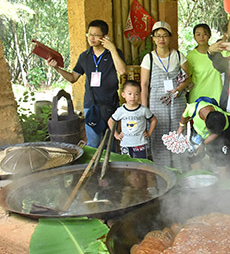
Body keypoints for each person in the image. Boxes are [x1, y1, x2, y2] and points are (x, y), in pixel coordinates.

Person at [47, 19, 126, 148]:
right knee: (93, 143)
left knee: (110, 144)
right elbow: (73, 78)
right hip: (91, 105)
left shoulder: (113, 53)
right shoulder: (85, 56)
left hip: (110, 105)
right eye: (89, 34)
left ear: (104, 37)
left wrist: (112, 49)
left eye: (96, 35)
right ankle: (94, 168)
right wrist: (57, 69)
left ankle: (110, 168)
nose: (92, 38)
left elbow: (122, 71)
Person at [140, 21, 190, 168]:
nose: (161, 39)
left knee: (179, 135)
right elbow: (144, 84)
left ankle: (181, 171)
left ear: (170, 38)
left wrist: (179, 89)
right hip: (156, 103)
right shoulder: (148, 58)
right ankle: (162, 173)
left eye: (165, 36)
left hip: (177, 102)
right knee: (158, 137)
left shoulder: (179, 56)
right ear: (153, 38)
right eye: (158, 36)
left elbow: (188, 79)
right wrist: (144, 110)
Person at [108, 80, 157, 159]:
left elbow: (153, 120)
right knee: (126, 165)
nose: (133, 97)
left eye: (136, 94)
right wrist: (116, 135)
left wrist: (149, 133)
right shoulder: (121, 110)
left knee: (141, 165)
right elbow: (110, 121)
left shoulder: (143, 110)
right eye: (129, 94)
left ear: (140, 95)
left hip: (140, 143)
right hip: (125, 144)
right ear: (123, 94)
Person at [187, 23, 223, 103]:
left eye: (205, 34)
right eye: (198, 34)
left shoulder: (218, 52)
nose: (202, 37)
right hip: (198, 98)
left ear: (209, 35)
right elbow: (187, 78)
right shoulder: (190, 56)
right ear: (194, 37)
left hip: (217, 97)